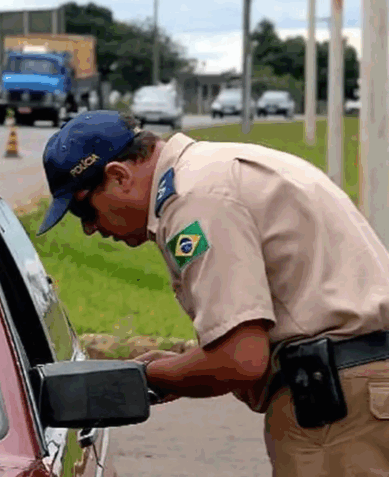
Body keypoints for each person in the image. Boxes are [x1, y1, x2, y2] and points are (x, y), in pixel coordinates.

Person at [35, 110, 389, 475]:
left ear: (119, 176)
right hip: (362, 394)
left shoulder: (194, 199)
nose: (91, 229)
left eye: (83, 210)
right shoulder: (214, 168)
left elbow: (241, 360)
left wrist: (151, 375)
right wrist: (184, 364)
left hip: (340, 410)